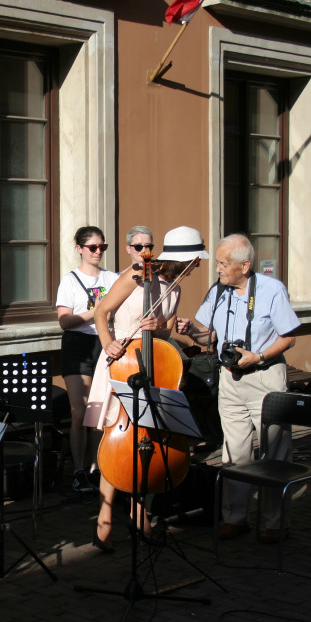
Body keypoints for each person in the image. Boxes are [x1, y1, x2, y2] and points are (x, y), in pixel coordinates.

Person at [85, 226, 207, 551]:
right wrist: (108, 343)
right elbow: (102, 312)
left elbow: (163, 336)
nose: (195, 268)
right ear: (183, 259)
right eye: (194, 262)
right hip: (122, 361)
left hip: (152, 369)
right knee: (116, 439)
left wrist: (166, 328)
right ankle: (106, 517)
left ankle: (141, 511)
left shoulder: (175, 288)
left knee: (149, 440)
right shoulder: (137, 274)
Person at [176, 233, 300, 544]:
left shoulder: (272, 290)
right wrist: (191, 330)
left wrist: (257, 356)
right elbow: (208, 338)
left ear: (244, 266)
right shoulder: (218, 291)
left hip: (264, 376)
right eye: (217, 262)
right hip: (230, 378)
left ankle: (274, 522)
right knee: (234, 450)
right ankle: (235, 517)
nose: (217, 268)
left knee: (274, 450)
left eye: (223, 263)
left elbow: (289, 336)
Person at [56, 226, 119, 492]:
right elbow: (64, 321)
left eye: (102, 247)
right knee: (79, 411)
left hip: (105, 343)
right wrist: (95, 313)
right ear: (80, 248)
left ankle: (97, 467)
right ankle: (78, 470)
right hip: (78, 345)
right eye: (92, 247)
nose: (98, 252)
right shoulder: (70, 280)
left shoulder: (113, 277)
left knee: (99, 411)